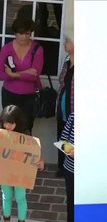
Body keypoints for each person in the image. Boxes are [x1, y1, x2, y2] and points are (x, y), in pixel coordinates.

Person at [0, 105, 45, 222]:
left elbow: (34, 151)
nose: (8, 126)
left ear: (18, 122)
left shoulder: (25, 135)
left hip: (20, 173)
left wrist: (40, 161)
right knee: (6, 196)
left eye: (11, 123)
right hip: (5, 171)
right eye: (5, 122)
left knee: (20, 197)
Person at [0, 18, 44, 134]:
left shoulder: (37, 49)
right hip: (9, 94)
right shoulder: (6, 49)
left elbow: (34, 75)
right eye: (20, 33)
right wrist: (26, 72)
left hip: (29, 96)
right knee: (8, 128)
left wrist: (13, 74)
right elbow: (1, 75)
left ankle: (25, 153)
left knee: (26, 129)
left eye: (27, 33)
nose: (23, 37)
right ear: (15, 33)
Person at [55, 30, 74, 178]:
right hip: (62, 106)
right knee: (61, 136)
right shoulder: (67, 59)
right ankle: (62, 167)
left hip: (73, 109)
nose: (64, 44)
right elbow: (61, 80)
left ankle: (70, 166)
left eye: (67, 41)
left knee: (71, 138)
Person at [60, 113, 74, 222]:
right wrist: (71, 152)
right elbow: (62, 142)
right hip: (71, 169)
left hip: (92, 172)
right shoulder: (74, 117)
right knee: (72, 202)